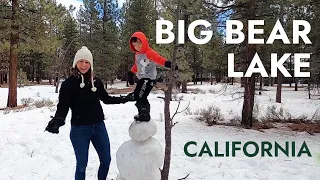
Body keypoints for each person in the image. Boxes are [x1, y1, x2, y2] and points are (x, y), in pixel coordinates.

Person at [45, 46, 133, 180]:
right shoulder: (68, 84)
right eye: (81, 61)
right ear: (75, 63)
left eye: (87, 62)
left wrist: (125, 99)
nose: (84, 65)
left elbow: (106, 99)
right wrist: (57, 120)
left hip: (98, 127)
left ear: (90, 64)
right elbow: (63, 106)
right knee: (81, 165)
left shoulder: (96, 82)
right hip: (79, 130)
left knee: (106, 160)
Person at [127, 31, 177, 122]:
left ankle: (145, 114)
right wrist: (130, 73)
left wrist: (168, 63)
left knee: (142, 96)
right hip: (141, 79)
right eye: (135, 46)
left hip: (149, 78)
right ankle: (141, 113)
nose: (137, 47)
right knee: (137, 96)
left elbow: (159, 59)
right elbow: (136, 65)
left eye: (139, 44)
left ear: (144, 42)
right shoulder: (137, 55)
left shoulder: (149, 52)